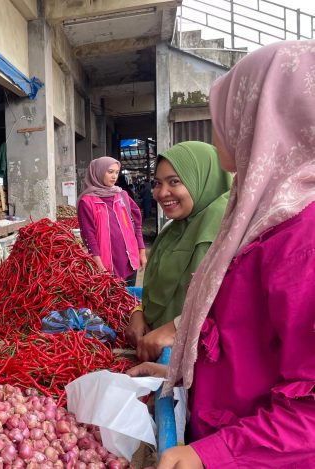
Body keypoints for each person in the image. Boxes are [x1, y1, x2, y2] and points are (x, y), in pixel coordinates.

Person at [128, 41, 315, 468]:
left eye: (227, 114)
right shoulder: (255, 217)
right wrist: (183, 380)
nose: (217, 131)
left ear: (264, 116)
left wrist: (211, 455)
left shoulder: (304, 239)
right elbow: (239, 347)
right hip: (219, 430)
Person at [126, 142, 231, 361]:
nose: (161, 193)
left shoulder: (228, 233)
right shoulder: (172, 231)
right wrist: (139, 313)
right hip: (163, 360)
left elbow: (233, 308)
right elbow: (156, 292)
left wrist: (175, 329)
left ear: (203, 180)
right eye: (157, 183)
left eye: (174, 182)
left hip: (206, 363)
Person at [77, 156, 147, 285]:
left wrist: (141, 252)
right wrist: (98, 264)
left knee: (129, 300)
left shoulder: (122, 195)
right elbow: (89, 236)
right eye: (110, 172)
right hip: (106, 264)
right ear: (98, 172)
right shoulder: (86, 202)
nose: (114, 176)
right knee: (112, 302)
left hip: (129, 261)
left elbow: (136, 225)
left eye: (116, 172)